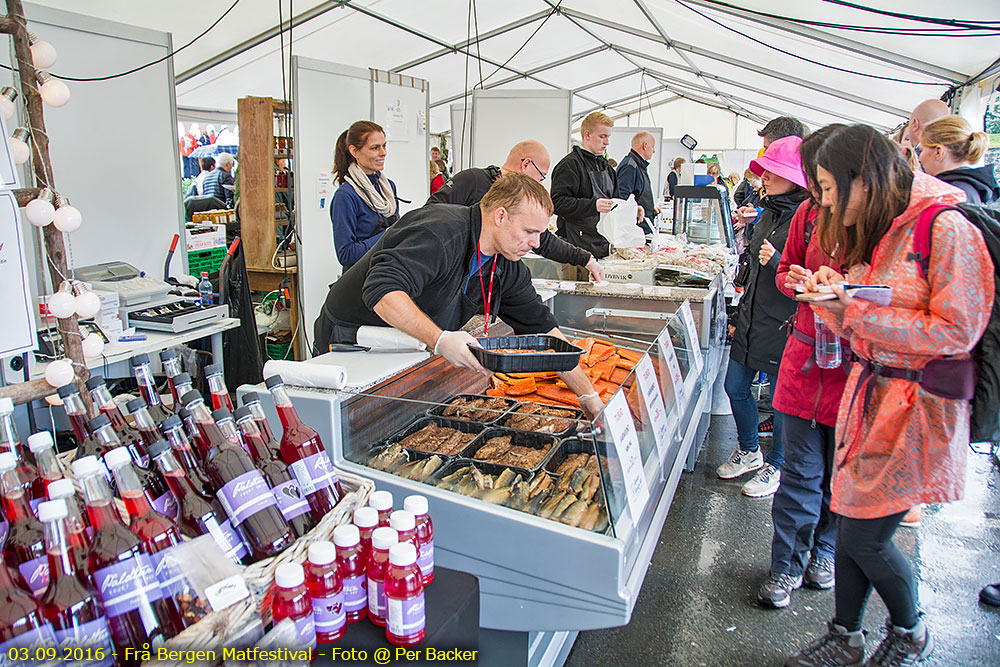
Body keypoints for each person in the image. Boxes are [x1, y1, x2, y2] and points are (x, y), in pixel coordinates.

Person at [786, 125, 993, 667]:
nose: (825, 201)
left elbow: (955, 332)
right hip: (871, 395)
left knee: (865, 539)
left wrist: (852, 310)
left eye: (831, 187)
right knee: (852, 520)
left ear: (866, 178)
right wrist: (843, 292)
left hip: (915, 409)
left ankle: (908, 630)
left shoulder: (945, 224)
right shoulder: (889, 225)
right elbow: (886, 301)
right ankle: (846, 635)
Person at [311, 173, 605, 418]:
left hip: (405, 349)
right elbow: (383, 292)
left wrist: (590, 397)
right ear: (500, 216)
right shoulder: (440, 231)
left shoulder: (506, 263)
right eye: (530, 231)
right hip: (351, 344)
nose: (536, 243)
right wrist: (440, 339)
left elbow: (548, 336)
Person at [757, 125, 849, 609]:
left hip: (850, 370)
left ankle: (826, 551)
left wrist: (844, 290)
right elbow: (785, 270)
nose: (817, 188)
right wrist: (794, 278)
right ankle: (784, 566)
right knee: (799, 473)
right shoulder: (807, 217)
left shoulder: (879, 225)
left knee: (837, 475)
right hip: (802, 359)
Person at [717, 136, 809, 497]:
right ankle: (750, 450)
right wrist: (739, 313)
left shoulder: (808, 218)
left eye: (773, 170)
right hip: (754, 315)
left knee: (781, 399)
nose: (764, 177)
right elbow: (753, 268)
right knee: (735, 387)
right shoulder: (767, 210)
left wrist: (777, 261)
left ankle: (778, 464)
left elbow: (807, 273)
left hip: (784, 320)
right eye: (764, 170)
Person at [426, 140, 604, 282]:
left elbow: (545, 241)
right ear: (526, 164)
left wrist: (585, 259)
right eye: (541, 176)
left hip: (484, 287)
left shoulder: (523, 201)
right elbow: (431, 213)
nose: (540, 183)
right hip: (449, 280)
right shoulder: (472, 180)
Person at [551, 112, 644, 275]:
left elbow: (616, 203)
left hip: (603, 247)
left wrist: (630, 209)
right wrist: (593, 205)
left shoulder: (606, 167)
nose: (606, 142)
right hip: (575, 250)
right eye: (602, 136)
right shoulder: (569, 165)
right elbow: (557, 203)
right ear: (587, 135)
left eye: (608, 137)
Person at [330, 120, 399, 270]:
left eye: (384, 146)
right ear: (354, 151)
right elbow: (346, 254)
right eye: (375, 148)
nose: (383, 153)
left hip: (388, 272)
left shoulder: (389, 188)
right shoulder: (346, 196)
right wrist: (386, 235)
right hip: (360, 279)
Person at [918, 115, 998, 205]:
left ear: (938, 152)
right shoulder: (967, 189)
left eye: (922, 150)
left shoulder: (950, 195)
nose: (919, 159)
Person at [616, 131, 657, 234]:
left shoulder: (638, 166)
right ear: (645, 146)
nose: (654, 150)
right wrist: (636, 209)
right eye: (653, 146)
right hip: (634, 231)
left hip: (643, 229)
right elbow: (622, 199)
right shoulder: (630, 166)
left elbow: (637, 194)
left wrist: (651, 209)